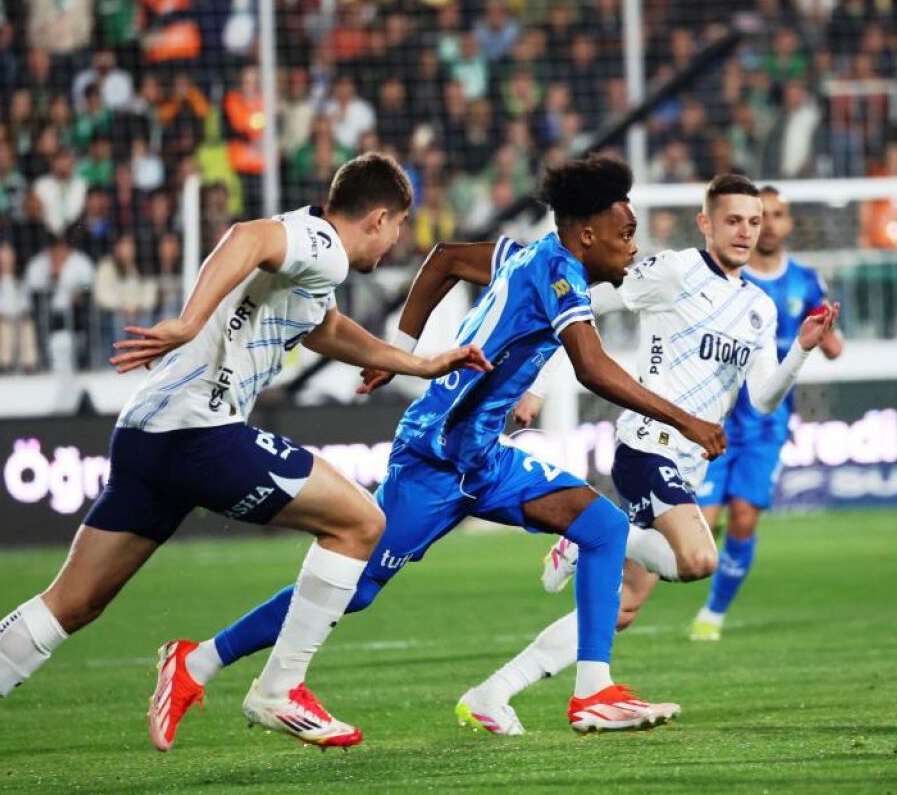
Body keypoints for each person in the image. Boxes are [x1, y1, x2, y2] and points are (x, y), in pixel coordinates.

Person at [150, 155, 726, 746]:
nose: (633, 248)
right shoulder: (560, 274)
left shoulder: (527, 255)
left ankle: (594, 693)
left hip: (483, 458)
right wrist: (685, 421)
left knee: (602, 528)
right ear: (586, 234)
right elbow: (592, 367)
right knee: (357, 588)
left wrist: (398, 351)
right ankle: (198, 661)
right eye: (625, 234)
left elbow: (446, 258)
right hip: (437, 457)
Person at [0, 154, 491, 769]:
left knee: (72, 603)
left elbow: (325, 327)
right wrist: (189, 321)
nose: (395, 243)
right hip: (201, 431)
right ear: (380, 217)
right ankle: (279, 688)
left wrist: (415, 363)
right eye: (398, 228)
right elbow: (245, 237)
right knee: (361, 523)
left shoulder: (309, 260)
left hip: (147, 434)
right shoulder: (322, 246)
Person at [459, 175, 840, 735]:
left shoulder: (759, 307)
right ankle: (590, 535)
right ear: (706, 223)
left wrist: (801, 350)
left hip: (688, 464)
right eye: (733, 220)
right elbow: (574, 305)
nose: (745, 232)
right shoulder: (674, 271)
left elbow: (761, 399)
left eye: (754, 222)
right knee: (699, 560)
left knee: (621, 609)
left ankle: (492, 694)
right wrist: (535, 384)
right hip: (647, 445)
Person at [690, 187, 844, 642]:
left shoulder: (806, 281)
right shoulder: (724, 279)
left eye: (777, 215)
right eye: (763, 216)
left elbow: (833, 345)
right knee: (701, 526)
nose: (770, 224)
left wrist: (827, 337)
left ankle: (713, 615)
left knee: (743, 518)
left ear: (788, 223)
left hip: (766, 423)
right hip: (715, 418)